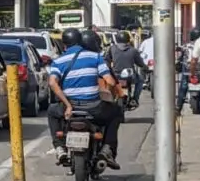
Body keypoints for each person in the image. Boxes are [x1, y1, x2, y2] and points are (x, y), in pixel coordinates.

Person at [47, 27, 125, 170]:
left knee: (52, 111)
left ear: (64, 44)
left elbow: (52, 83)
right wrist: (107, 92)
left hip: (70, 109)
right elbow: (110, 81)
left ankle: (59, 147)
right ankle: (107, 149)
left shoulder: (58, 61)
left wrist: (68, 105)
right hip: (94, 108)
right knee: (116, 112)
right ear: (81, 41)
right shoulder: (95, 57)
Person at [105, 30, 148, 102]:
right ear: (128, 39)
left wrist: (108, 69)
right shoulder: (133, 50)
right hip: (130, 76)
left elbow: (107, 60)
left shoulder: (112, 48)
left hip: (116, 75)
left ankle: (110, 98)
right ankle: (135, 99)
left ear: (117, 39)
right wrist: (146, 67)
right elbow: (140, 64)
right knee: (140, 80)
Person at [176, 26, 200, 112]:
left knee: (183, 87)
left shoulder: (187, 46)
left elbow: (181, 55)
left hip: (189, 69)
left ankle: (178, 106)